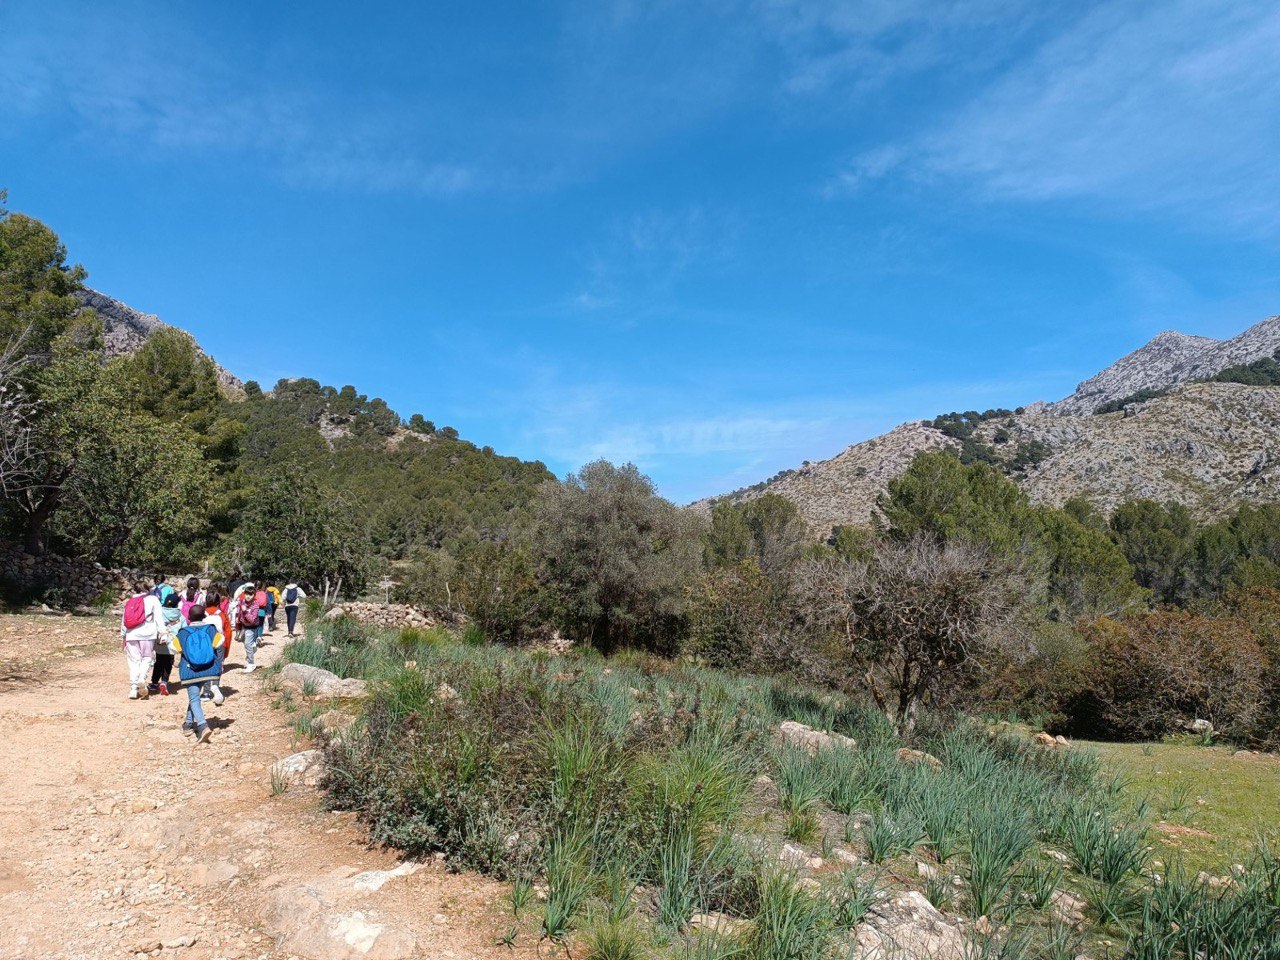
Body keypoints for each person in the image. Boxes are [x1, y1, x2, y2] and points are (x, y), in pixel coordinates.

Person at [173, 607, 224, 744]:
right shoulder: (210, 629)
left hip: (190, 671)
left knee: (194, 698)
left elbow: (174, 648)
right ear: (204, 616)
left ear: (189, 618)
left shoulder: (183, 633)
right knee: (194, 697)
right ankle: (188, 724)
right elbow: (220, 641)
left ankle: (202, 726)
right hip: (208, 670)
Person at [121, 581, 165, 700]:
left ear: (135, 590)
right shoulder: (153, 599)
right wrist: (163, 633)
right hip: (148, 634)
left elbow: (124, 619)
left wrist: (123, 635)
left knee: (133, 661)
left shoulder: (129, 601)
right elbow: (159, 618)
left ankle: (133, 689)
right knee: (147, 658)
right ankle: (141, 678)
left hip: (131, 635)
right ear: (148, 589)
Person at [149, 591, 185, 696]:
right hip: (172, 645)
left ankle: (154, 683)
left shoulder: (159, 612)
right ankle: (164, 681)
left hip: (160, 643)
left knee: (158, 663)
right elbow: (184, 630)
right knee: (168, 664)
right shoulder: (180, 616)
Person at [235, 583, 263, 673]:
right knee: (243, 641)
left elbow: (252, 619)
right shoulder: (242, 601)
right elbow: (239, 610)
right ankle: (253, 648)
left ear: (254, 595)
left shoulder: (255, 605)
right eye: (246, 594)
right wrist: (238, 618)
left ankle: (251, 663)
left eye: (250, 595)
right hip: (244, 626)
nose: (248, 596)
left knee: (247, 644)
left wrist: (245, 611)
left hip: (252, 627)